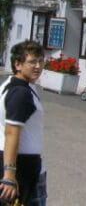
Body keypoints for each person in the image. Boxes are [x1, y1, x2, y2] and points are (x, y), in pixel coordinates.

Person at [0, 40, 48, 206]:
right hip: (23, 169)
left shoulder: (11, 84)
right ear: (18, 64)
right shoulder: (21, 93)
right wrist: (9, 175)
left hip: (24, 165)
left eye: (41, 61)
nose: (38, 66)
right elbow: (11, 132)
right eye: (32, 62)